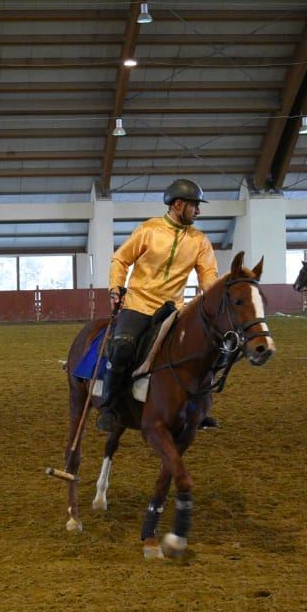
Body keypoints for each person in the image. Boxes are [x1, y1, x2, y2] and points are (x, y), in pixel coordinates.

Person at [97, 178, 221, 433]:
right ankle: (109, 406)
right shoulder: (148, 230)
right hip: (139, 304)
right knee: (122, 348)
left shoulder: (200, 240)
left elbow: (208, 274)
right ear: (178, 204)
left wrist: (213, 297)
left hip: (173, 309)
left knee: (201, 350)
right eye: (194, 205)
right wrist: (115, 287)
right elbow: (120, 259)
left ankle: (196, 408)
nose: (198, 211)